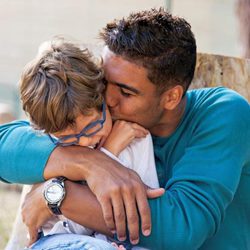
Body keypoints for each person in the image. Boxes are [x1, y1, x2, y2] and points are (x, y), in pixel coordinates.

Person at [1, 7, 250, 250]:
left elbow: (181, 228)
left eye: (125, 92)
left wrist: (58, 197)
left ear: (171, 98)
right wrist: (90, 163)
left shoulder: (223, 112)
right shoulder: (101, 126)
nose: (107, 100)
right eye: (105, 84)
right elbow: (7, 145)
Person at [19, 38, 162, 250]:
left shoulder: (135, 139)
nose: (86, 141)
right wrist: (106, 154)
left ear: (103, 98)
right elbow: (70, 228)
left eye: (93, 126)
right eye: (70, 138)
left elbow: (140, 212)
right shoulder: (53, 151)